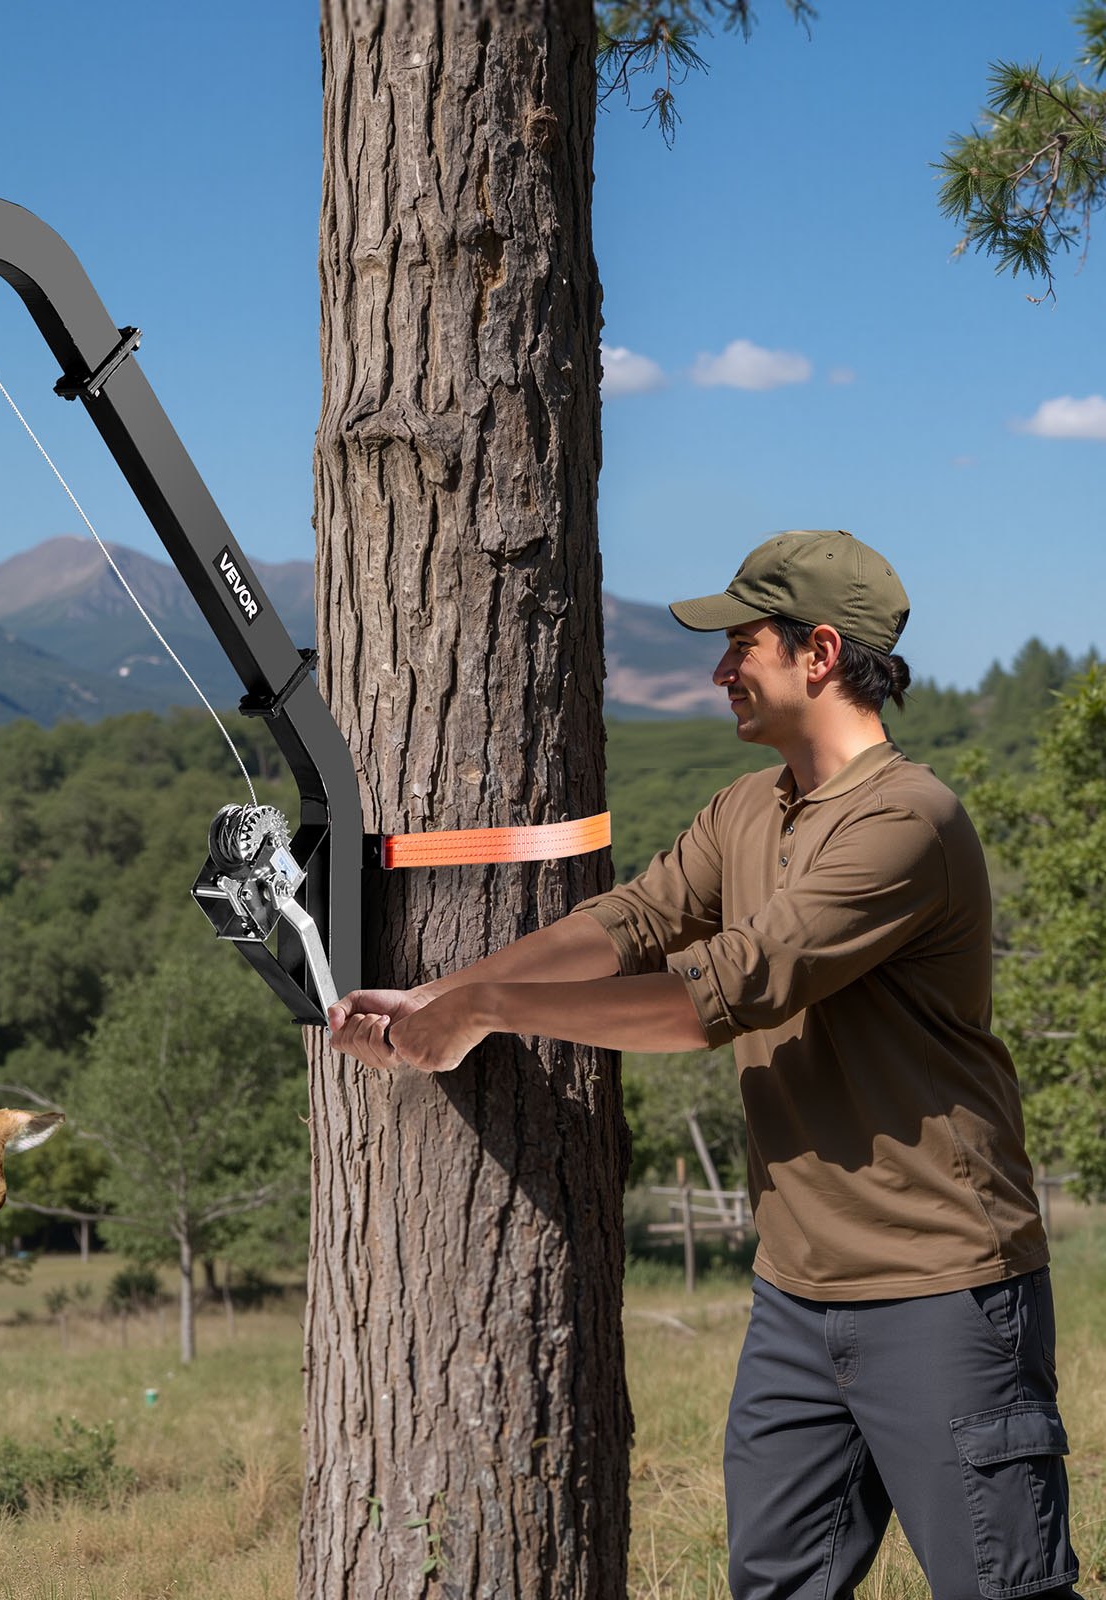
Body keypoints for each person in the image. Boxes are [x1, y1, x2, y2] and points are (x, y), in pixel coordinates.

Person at [328, 529, 1081, 1600]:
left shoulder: (906, 823)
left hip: (943, 1291)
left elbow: (720, 992)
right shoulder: (748, 809)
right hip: (795, 1297)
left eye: (743, 645)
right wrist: (445, 996)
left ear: (819, 653)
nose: (721, 669)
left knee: (1002, 1589)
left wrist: (486, 1011)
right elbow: (631, 922)